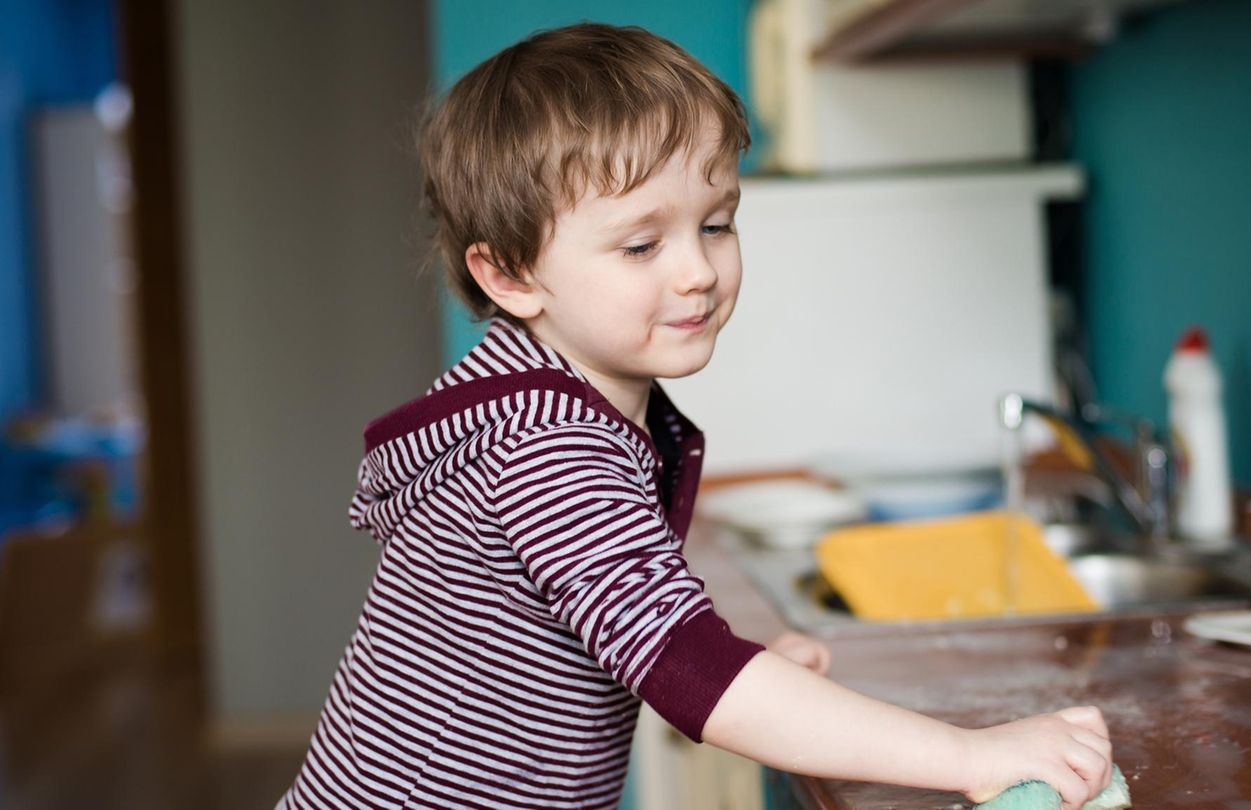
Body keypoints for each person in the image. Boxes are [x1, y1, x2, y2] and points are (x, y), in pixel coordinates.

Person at [278, 22, 1112, 810]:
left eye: (716, 225)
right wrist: (971, 755)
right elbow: (684, 666)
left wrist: (740, 676)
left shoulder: (553, 408)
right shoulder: (546, 446)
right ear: (509, 275)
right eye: (642, 246)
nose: (697, 273)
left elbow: (618, 641)